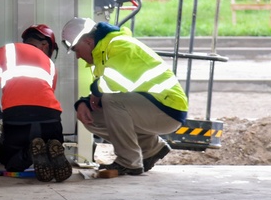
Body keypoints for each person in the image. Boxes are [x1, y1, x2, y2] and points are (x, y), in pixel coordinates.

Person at [61, 17, 187, 176]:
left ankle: (129, 162)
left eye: (76, 50)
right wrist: (84, 103)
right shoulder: (102, 53)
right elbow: (104, 89)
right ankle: (151, 148)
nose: (78, 56)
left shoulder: (119, 45)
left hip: (168, 109)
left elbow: (116, 84)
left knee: (112, 101)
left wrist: (95, 92)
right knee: (92, 116)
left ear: (88, 42)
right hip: (150, 107)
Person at [0, 25, 71, 183]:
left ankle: (29, 153)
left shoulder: (6, 50)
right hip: (51, 120)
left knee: (7, 158)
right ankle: (52, 149)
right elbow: (47, 94)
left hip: (18, 119)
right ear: (45, 45)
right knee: (48, 147)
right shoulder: (50, 65)